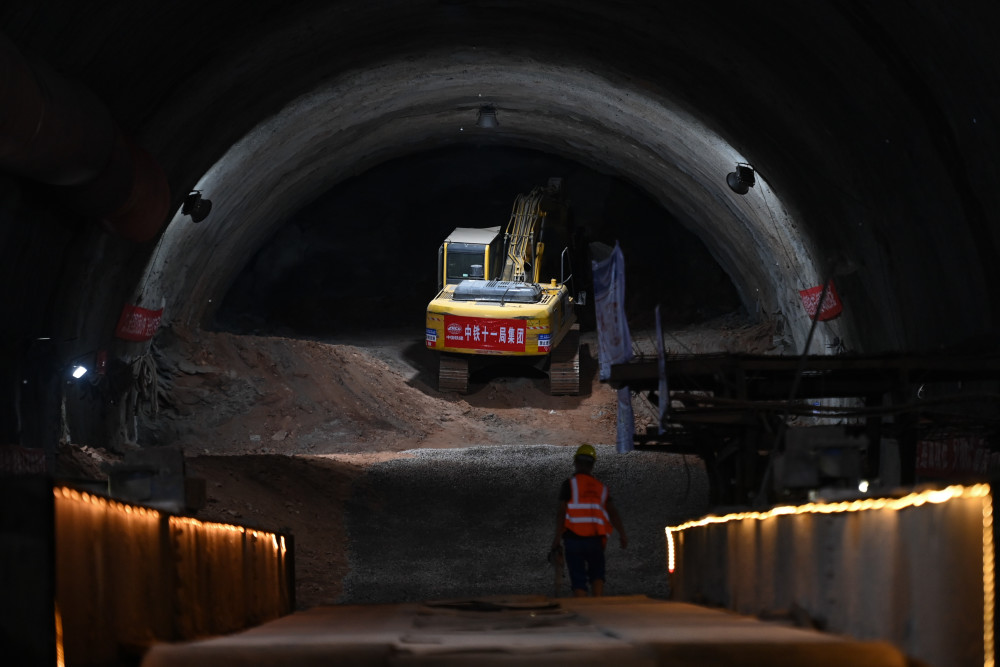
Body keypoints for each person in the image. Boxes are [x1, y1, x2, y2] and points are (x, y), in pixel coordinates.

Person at [551, 444, 627, 597]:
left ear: (576, 462)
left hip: (573, 540)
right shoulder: (601, 488)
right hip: (595, 540)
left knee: (578, 580)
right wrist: (622, 534)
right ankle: (598, 609)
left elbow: (562, 512)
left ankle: (584, 610)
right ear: (592, 465)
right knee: (597, 576)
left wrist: (557, 539)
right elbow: (613, 513)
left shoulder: (569, 485)